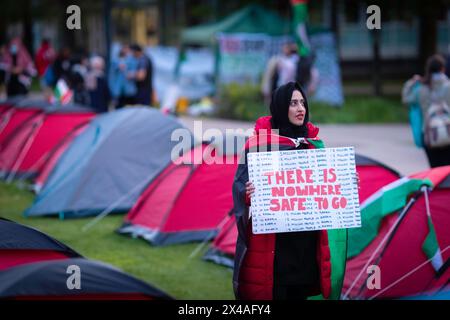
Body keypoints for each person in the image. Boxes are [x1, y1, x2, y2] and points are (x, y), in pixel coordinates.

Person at [232, 82, 347, 300]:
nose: (300, 109)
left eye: (303, 103)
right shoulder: (259, 145)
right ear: (280, 106)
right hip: (274, 247)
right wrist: (249, 193)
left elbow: (324, 188)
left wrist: (344, 182)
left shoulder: (312, 144)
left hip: (306, 246)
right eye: (293, 103)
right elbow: (240, 189)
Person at [403, 54, 450, 167]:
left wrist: (411, 83)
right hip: (448, 132)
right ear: (443, 69)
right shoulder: (448, 86)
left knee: (434, 170)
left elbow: (406, 99)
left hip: (429, 135)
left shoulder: (422, 89)